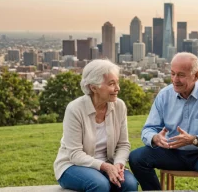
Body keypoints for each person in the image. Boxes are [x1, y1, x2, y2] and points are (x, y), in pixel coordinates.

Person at [129, 52, 198, 190]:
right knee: (136, 158)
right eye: (172, 74)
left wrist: (195, 140)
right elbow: (148, 129)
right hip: (171, 153)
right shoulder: (164, 95)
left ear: (196, 76)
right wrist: (155, 138)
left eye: (181, 75)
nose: (175, 80)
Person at [53, 59, 138, 192]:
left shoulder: (119, 106)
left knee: (130, 184)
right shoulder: (75, 109)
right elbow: (75, 154)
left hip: (108, 164)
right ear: (93, 87)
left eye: (117, 82)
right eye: (111, 84)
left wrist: (118, 164)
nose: (118, 88)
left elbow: (123, 144)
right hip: (72, 165)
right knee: (100, 185)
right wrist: (105, 167)